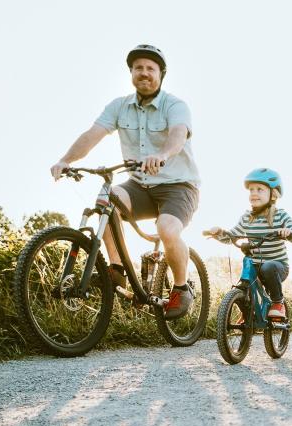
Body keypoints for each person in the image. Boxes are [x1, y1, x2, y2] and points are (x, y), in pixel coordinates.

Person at [50, 44, 199, 318]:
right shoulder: (119, 107)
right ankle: (117, 271)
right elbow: (92, 135)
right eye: (138, 68)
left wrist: (163, 154)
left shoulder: (175, 105)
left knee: (166, 229)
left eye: (150, 68)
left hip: (178, 186)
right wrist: (66, 160)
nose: (144, 73)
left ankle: (181, 288)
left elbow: (179, 134)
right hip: (140, 185)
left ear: (160, 74)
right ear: (131, 73)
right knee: (106, 200)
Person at [206, 168, 292, 320]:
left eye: (259, 189)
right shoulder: (246, 218)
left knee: (267, 267)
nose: (254, 193)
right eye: (251, 190)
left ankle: (278, 302)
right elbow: (231, 236)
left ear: (273, 194)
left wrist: (288, 232)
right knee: (247, 273)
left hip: (277, 268)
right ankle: (248, 311)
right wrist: (218, 233)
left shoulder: (280, 215)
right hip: (256, 266)